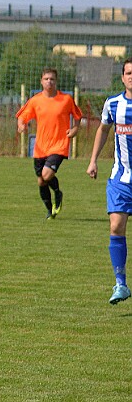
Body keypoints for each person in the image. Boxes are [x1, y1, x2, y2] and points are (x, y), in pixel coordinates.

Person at [87, 58, 132, 305]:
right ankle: (121, 284)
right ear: (122, 77)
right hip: (120, 177)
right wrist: (93, 160)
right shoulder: (113, 104)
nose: (131, 76)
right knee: (116, 227)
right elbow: (103, 129)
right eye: (128, 73)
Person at [16, 68, 82, 220]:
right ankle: (49, 210)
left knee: (46, 174)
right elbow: (22, 116)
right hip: (40, 147)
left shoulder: (66, 99)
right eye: (46, 79)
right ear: (41, 81)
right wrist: (21, 125)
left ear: (56, 81)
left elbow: (77, 115)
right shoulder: (35, 100)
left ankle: (58, 192)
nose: (49, 82)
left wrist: (75, 129)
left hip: (59, 145)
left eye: (52, 79)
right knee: (41, 181)